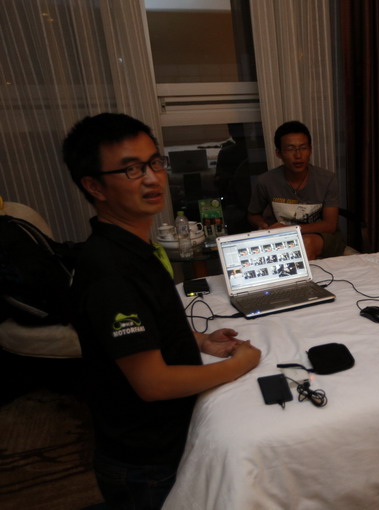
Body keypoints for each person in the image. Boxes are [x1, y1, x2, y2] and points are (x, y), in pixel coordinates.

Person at [62, 113, 262, 509]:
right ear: (93, 186)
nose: (153, 179)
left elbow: (152, 322)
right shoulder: (110, 272)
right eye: (131, 169)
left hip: (162, 440)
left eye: (154, 162)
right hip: (145, 460)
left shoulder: (135, 245)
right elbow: (152, 383)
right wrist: (240, 364)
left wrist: (199, 340)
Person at [247, 120, 345, 259]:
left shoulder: (327, 179)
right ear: (279, 153)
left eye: (303, 148)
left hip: (321, 237)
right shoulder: (266, 181)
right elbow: (253, 214)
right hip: (282, 238)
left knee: (305, 243)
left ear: (310, 149)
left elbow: (330, 225)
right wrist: (263, 225)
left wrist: (289, 230)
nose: (298, 155)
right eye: (290, 149)